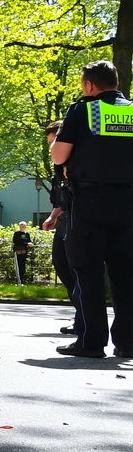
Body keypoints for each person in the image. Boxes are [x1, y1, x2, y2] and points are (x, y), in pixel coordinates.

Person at [49, 59, 133, 358]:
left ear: (89, 85)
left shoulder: (83, 109)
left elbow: (59, 155)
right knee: (126, 274)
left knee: (87, 270)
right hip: (129, 204)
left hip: (91, 200)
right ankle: (127, 342)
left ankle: (91, 340)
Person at [43, 122, 81, 335]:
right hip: (64, 221)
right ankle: (80, 312)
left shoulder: (77, 164)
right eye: (49, 143)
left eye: (54, 142)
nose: (51, 148)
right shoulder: (58, 169)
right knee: (60, 263)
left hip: (79, 221)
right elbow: (60, 200)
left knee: (79, 269)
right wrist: (52, 217)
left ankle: (84, 318)